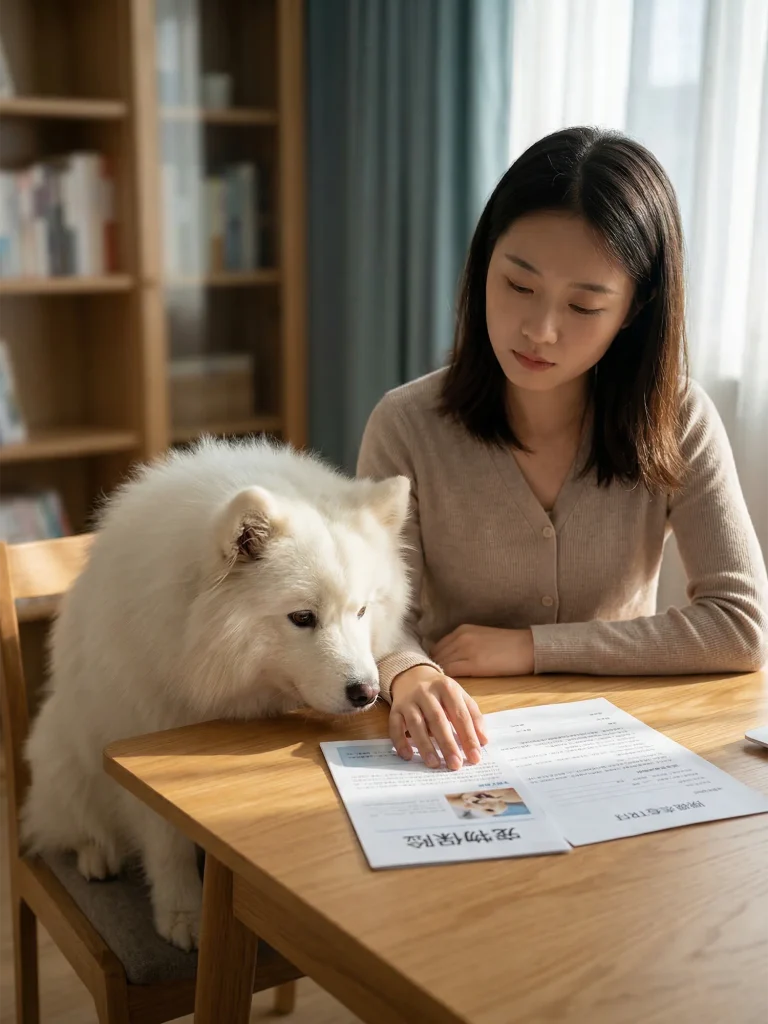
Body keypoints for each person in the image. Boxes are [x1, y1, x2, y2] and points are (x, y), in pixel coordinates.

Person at [357, 126, 768, 772]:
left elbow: (741, 626)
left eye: (584, 305)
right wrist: (408, 672)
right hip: (460, 752)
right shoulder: (406, 425)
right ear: (484, 261)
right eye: (518, 286)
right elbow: (374, 611)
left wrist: (532, 648)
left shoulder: (677, 418)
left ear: (634, 309)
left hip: (627, 755)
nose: (539, 330)